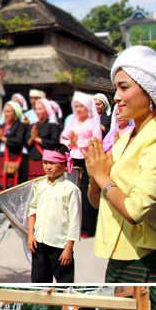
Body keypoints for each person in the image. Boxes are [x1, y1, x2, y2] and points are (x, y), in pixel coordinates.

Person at [86, 46, 156, 282]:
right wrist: (94, 176)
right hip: (117, 259)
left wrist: (103, 177)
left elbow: (136, 211)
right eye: (116, 88)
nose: (116, 97)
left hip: (145, 261)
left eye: (124, 87)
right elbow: (95, 202)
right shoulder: (124, 138)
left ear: (150, 94)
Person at [27, 146, 81, 283]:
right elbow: (32, 208)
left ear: (64, 164)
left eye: (53, 163)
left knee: (65, 284)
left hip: (60, 246)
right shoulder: (39, 185)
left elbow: (75, 220)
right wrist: (30, 234)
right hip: (39, 243)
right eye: (45, 162)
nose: (48, 167)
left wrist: (68, 248)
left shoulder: (71, 189)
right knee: (39, 283)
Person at [60, 92, 101, 238]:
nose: (78, 109)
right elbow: (63, 138)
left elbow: (96, 140)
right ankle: (73, 224)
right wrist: (70, 142)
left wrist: (78, 143)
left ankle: (87, 227)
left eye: (81, 106)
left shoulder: (93, 122)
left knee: (85, 192)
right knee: (72, 191)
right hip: (73, 159)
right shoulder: (73, 122)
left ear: (88, 107)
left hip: (86, 159)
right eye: (76, 106)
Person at [0, 102, 27, 192]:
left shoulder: (20, 126)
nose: (6, 114)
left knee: (12, 185)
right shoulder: (2, 126)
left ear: (15, 113)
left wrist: (3, 138)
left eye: (9, 112)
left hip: (13, 158)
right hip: (1, 158)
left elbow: (19, 141)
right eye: (5, 112)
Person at [26, 99, 60, 180]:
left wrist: (37, 139)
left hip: (46, 162)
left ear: (47, 110)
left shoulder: (52, 125)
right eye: (36, 109)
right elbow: (26, 144)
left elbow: (54, 143)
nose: (37, 111)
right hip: (32, 161)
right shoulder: (33, 126)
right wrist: (32, 138)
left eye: (40, 109)